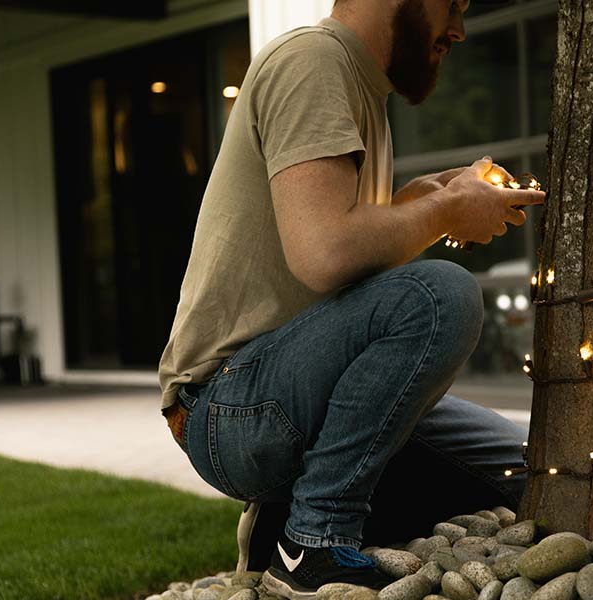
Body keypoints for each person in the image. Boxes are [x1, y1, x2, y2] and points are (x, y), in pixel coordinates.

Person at [157, 0, 545, 596]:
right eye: (453, 5)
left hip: (292, 387)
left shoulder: (362, 86)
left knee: (522, 470)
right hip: (227, 403)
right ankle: (310, 542)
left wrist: (423, 202)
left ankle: (282, 520)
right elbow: (326, 255)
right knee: (442, 294)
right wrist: (442, 209)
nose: (460, 30)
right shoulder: (311, 61)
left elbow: (341, 266)